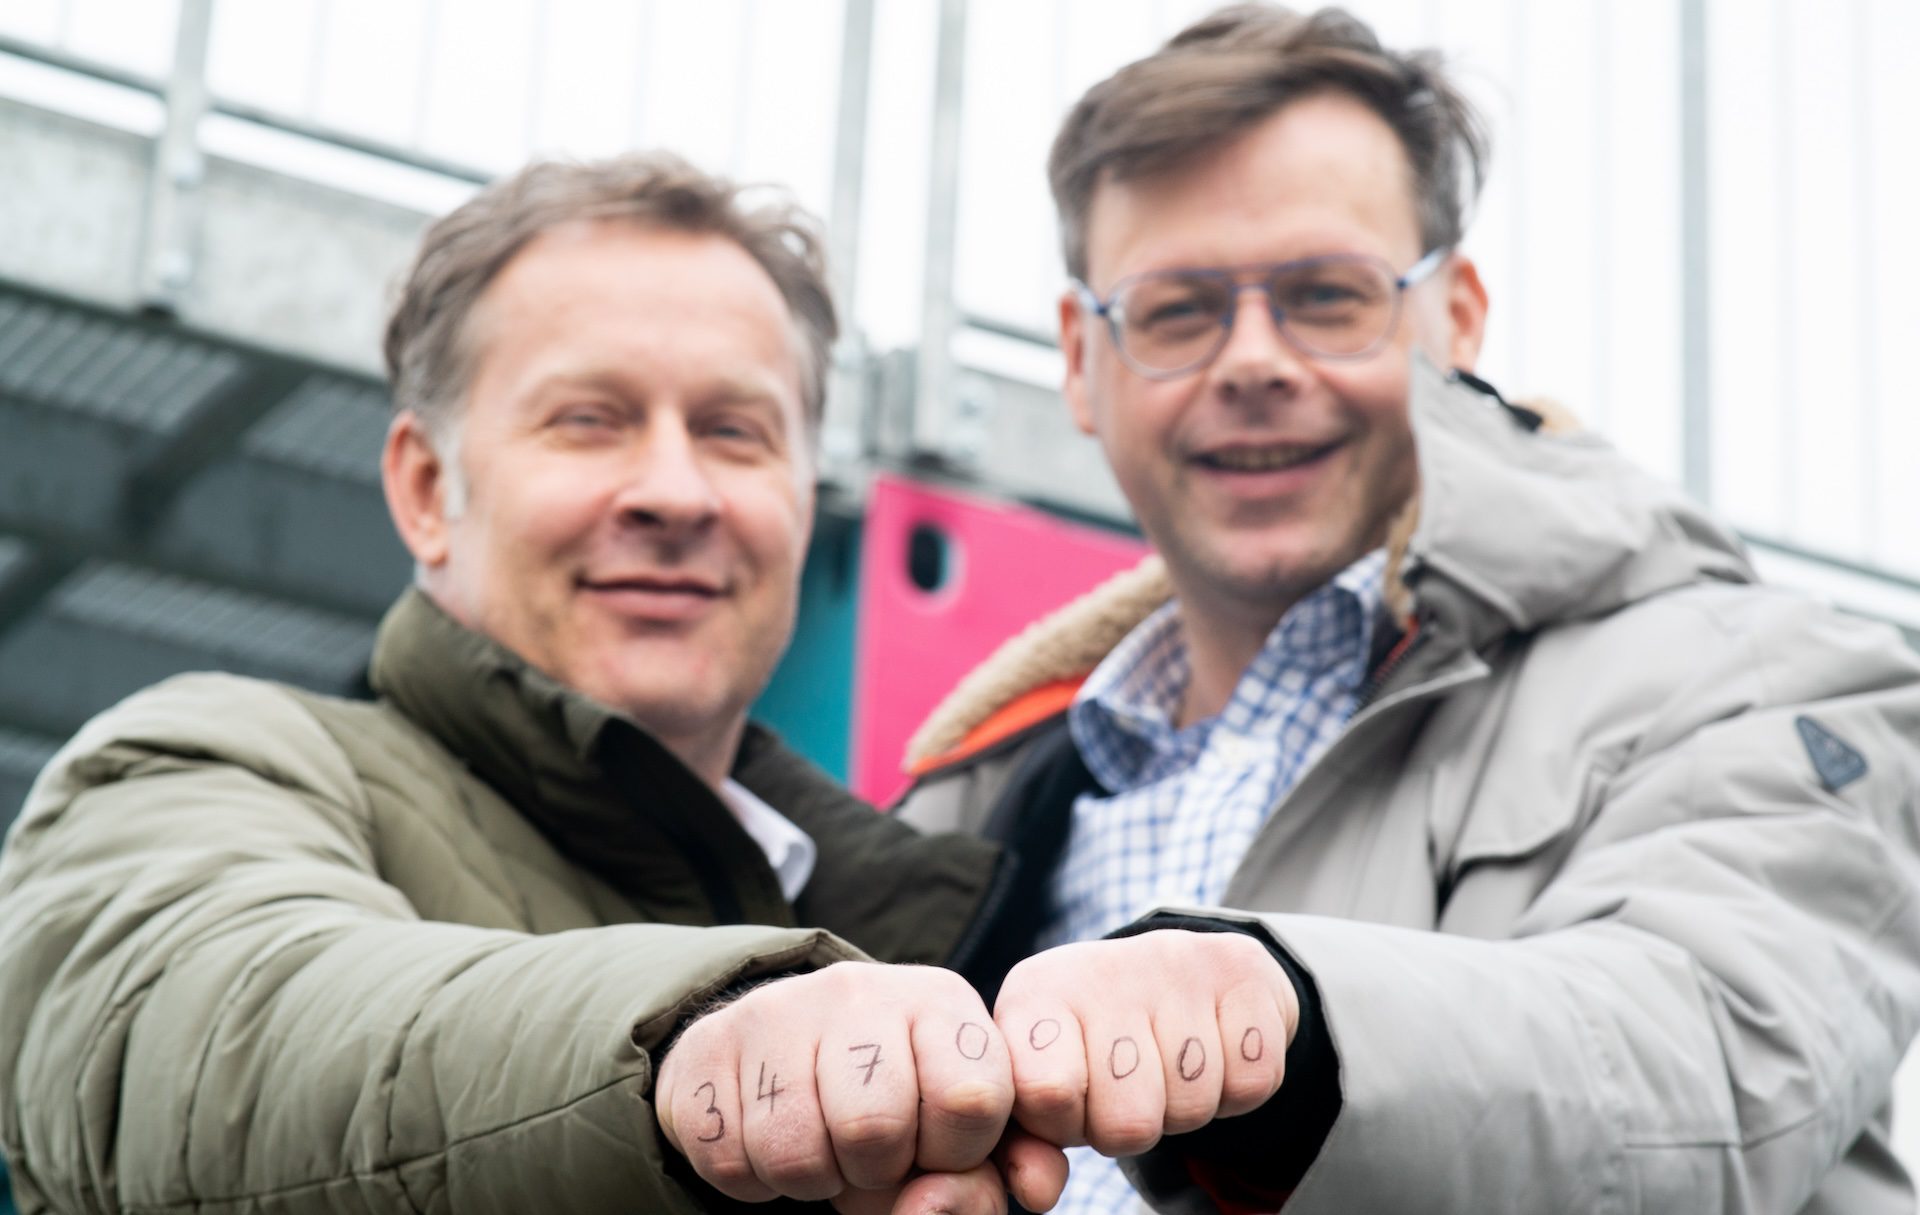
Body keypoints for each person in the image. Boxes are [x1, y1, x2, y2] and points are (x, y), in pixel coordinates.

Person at [895, 5, 1920, 1212]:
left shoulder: (1778, 684)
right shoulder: (956, 804)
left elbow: (1709, 1067)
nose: (1254, 360)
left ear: (1461, 320)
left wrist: (1290, 1022)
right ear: (1079, 358)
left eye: (1328, 296)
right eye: (1177, 310)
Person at [0, 154, 1063, 1215]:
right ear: (427, 489)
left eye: (733, 432)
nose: (676, 492)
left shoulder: (949, 923)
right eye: (588, 419)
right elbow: (203, 1043)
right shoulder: (200, 760)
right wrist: (692, 1044)